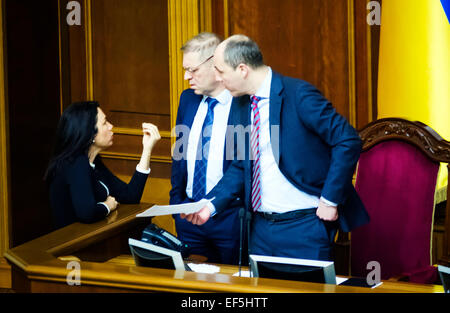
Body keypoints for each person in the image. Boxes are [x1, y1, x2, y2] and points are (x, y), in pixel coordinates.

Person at [182, 35, 369, 261]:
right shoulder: (242, 103)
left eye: (221, 72)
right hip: (260, 229)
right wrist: (210, 207)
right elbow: (243, 164)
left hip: (305, 226)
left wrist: (330, 199)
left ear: (242, 69)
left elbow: (347, 140)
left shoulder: (298, 94)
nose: (219, 80)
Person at [170, 32, 244, 264]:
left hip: (230, 219)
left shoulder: (243, 105)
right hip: (188, 217)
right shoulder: (188, 99)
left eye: (192, 70)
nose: (186, 76)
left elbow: (245, 164)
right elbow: (179, 154)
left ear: (215, 65)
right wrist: (176, 204)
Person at [45, 101, 161, 229]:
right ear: (90, 133)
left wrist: (147, 150)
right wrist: (108, 205)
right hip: (71, 243)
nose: (111, 126)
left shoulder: (94, 162)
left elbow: (130, 196)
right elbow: (87, 213)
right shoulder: (75, 163)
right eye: (105, 123)